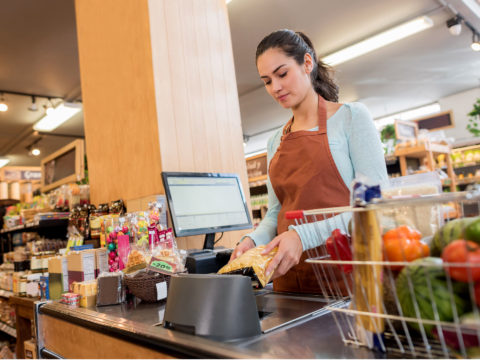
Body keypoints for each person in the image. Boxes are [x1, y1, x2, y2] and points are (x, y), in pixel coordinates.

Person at [230, 29, 389, 293]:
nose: (275, 88)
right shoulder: (275, 141)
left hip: (349, 280)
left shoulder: (351, 118)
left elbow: (372, 206)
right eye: (267, 81)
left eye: (282, 74)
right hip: (290, 282)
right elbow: (275, 213)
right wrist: (252, 240)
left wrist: (303, 236)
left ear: (307, 63)